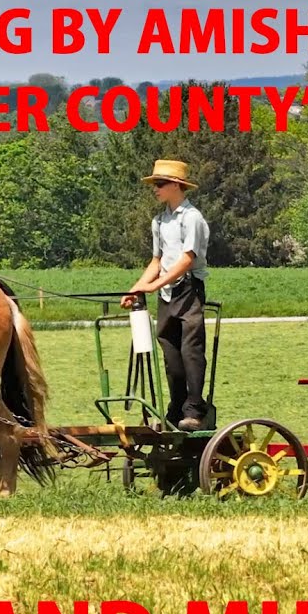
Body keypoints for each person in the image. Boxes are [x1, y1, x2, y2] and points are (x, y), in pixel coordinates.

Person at [120, 159, 211, 432]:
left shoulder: (191, 218)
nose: (155, 189)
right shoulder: (159, 221)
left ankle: (195, 410)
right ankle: (176, 408)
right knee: (171, 355)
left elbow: (187, 260)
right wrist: (136, 289)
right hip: (167, 293)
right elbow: (156, 261)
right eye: (155, 184)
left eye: (160, 184)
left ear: (176, 186)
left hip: (189, 290)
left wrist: (155, 284)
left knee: (190, 351)